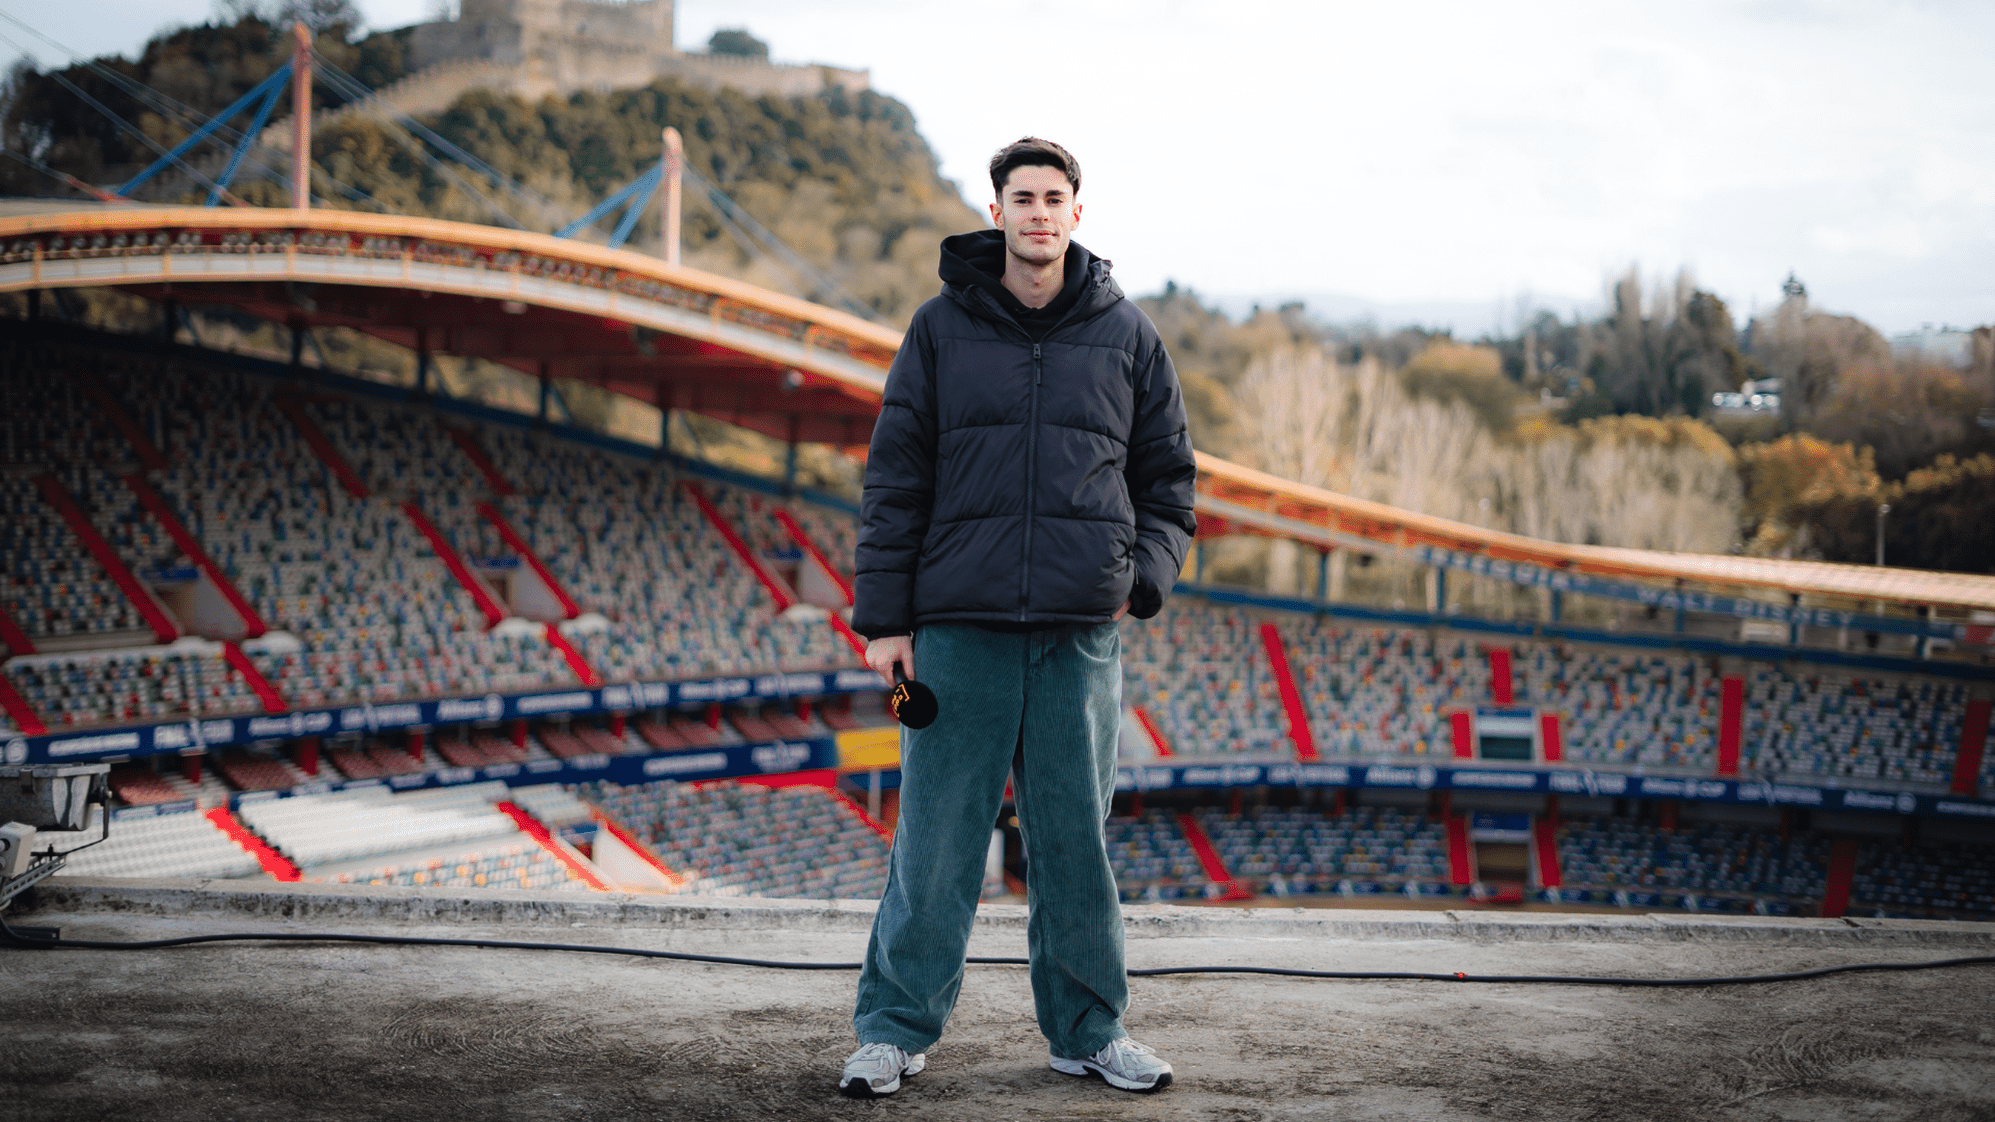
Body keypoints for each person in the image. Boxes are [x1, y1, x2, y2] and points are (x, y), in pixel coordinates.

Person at [838, 136, 1197, 1098]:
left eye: (1053, 197)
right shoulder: (937, 329)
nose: (1038, 212)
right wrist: (885, 620)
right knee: (936, 840)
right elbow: (895, 481)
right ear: (994, 212)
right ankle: (891, 1031)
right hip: (960, 629)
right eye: (1021, 197)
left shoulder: (1127, 336)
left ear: (1077, 213)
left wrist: (1142, 577)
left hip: (1079, 635)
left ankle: (1088, 1030)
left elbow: (1169, 481)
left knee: (1074, 844)